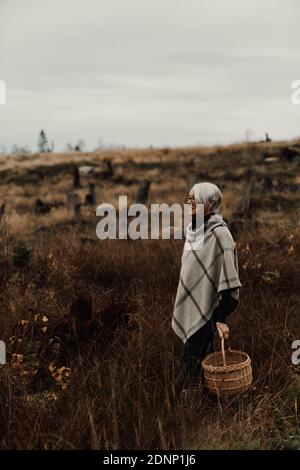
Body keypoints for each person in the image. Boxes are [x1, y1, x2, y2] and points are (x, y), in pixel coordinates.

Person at [172, 182, 242, 386]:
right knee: (196, 360)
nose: (190, 202)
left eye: (196, 199)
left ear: (211, 204)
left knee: (191, 363)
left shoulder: (220, 234)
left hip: (209, 310)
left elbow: (229, 280)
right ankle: (201, 401)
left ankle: (189, 407)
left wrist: (221, 318)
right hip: (192, 306)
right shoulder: (193, 231)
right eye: (189, 198)